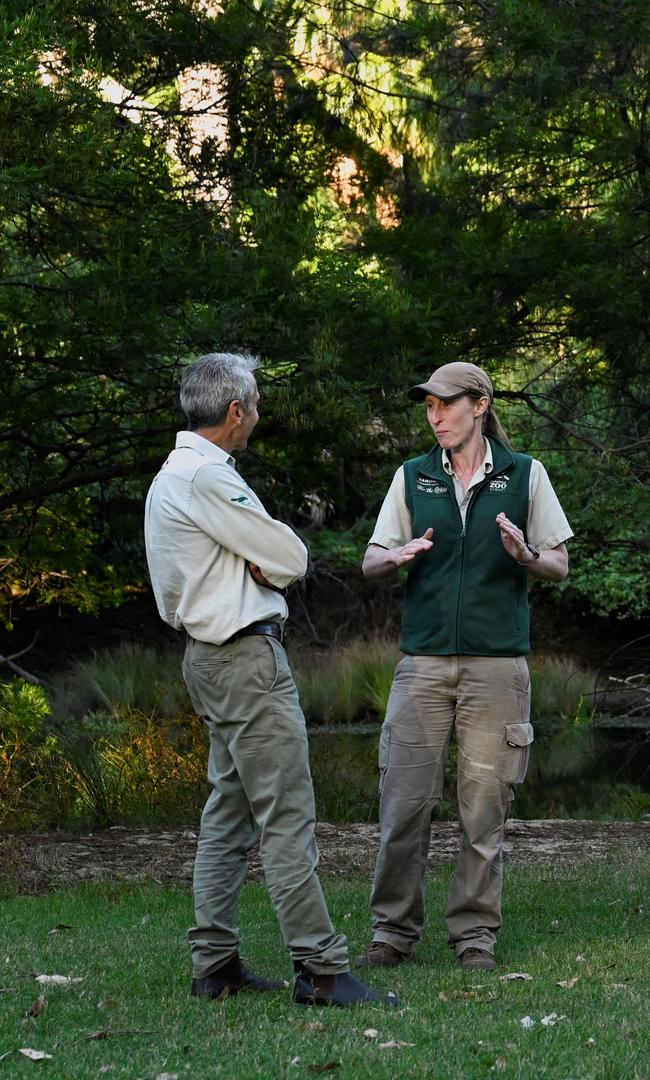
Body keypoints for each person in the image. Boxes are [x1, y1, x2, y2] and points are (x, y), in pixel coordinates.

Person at [144, 352, 397, 1007]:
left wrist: (253, 559)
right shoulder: (206, 477)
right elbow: (289, 554)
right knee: (287, 818)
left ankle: (215, 964)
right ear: (235, 412)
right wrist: (262, 561)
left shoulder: (173, 474)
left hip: (209, 660)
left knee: (228, 815)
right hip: (244, 661)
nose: (257, 417)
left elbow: (262, 559)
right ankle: (319, 969)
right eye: (254, 406)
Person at [360, 361, 571, 971]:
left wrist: (526, 554)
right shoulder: (412, 477)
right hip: (421, 666)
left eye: (445, 405)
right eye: (427, 407)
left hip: (496, 666)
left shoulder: (525, 474)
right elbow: (371, 561)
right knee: (403, 805)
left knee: (483, 809)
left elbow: (558, 563)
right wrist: (397, 555)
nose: (434, 417)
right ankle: (393, 934)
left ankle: (474, 937)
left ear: (479, 405)